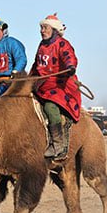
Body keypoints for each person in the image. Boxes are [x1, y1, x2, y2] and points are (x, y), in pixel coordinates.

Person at [33, 13, 81, 163]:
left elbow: (69, 57)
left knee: (50, 107)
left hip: (60, 86)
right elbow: (37, 66)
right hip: (42, 85)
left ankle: (58, 145)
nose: (42, 30)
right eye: (41, 28)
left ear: (53, 29)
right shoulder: (42, 45)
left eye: (45, 27)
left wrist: (70, 67)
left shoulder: (62, 44)